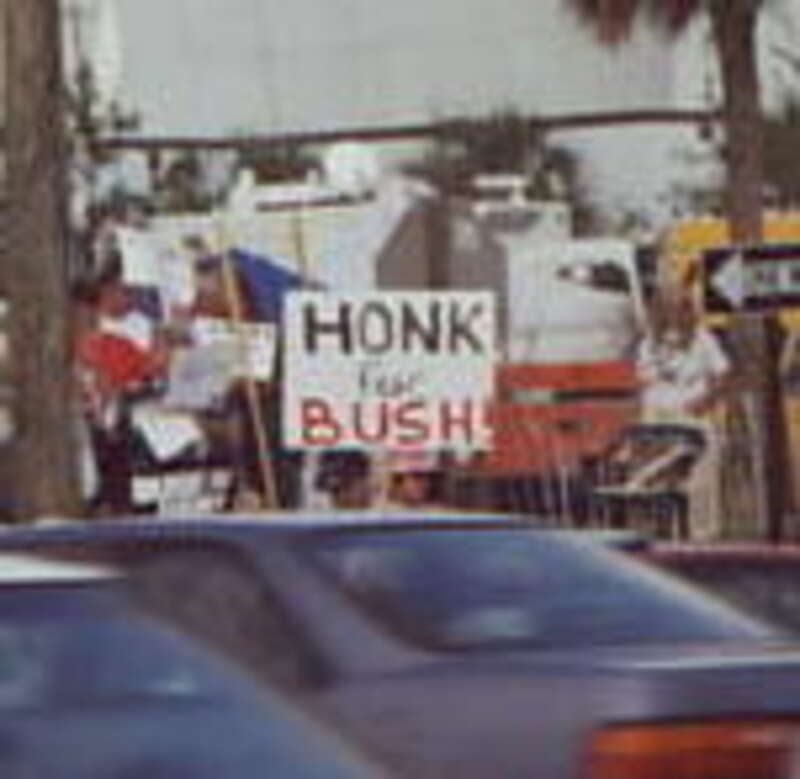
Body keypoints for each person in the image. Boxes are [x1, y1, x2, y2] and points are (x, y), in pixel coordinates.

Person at [633, 288, 731, 539]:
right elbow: (645, 380)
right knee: (657, 485)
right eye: (667, 308)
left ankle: (702, 538)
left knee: (700, 487)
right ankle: (660, 535)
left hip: (695, 422)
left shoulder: (703, 340)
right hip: (659, 425)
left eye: (679, 308)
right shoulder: (648, 345)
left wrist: (705, 401)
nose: (673, 314)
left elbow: (723, 375)